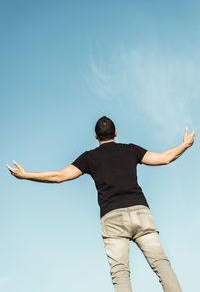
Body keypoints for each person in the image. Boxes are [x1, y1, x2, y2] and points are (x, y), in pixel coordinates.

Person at [7, 116, 195, 292]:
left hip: (112, 219)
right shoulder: (130, 149)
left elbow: (58, 177)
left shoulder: (90, 157)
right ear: (115, 133)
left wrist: (26, 175)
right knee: (161, 264)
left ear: (96, 136)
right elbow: (164, 158)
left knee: (120, 274)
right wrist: (185, 145)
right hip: (140, 213)